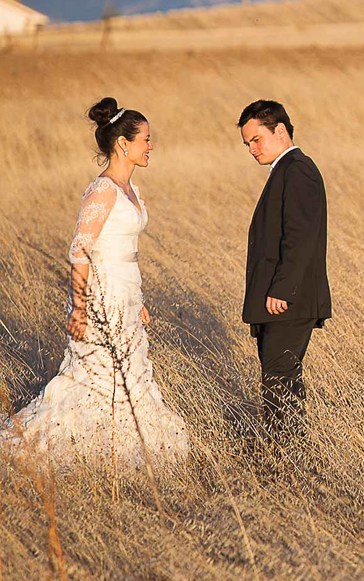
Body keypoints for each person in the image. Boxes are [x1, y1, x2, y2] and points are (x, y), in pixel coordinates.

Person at [2, 98, 191, 470]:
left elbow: (126, 251)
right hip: (101, 296)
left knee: (131, 374)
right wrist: (80, 307)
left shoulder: (131, 190)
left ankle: (120, 449)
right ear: (123, 144)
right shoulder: (103, 190)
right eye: (146, 140)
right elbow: (79, 251)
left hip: (126, 293)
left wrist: (139, 302)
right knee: (97, 377)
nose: (151, 146)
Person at [238, 100, 331, 453]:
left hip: (288, 301)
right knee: (279, 379)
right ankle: (284, 453)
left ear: (280, 130)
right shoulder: (286, 170)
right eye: (247, 143)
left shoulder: (297, 170)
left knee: (279, 378)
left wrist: (282, 290)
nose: (252, 149)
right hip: (281, 300)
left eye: (257, 139)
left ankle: (286, 456)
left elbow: (300, 236)